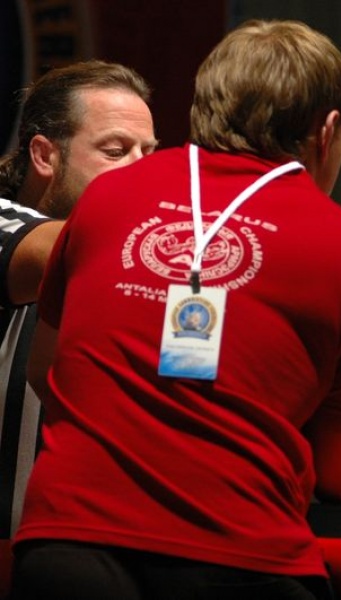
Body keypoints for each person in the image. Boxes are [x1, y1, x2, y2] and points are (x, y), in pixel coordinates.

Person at [13, 20, 341, 600]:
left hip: (66, 550)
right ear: (328, 132)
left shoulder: (104, 200)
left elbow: (46, 370)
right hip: (242, 557)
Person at [0, 60, 156, 581]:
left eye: (149, 153)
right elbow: (72, 250)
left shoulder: (145, 259)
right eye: (116, 151)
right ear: (45, 154)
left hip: (100, 560)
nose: (140, 168)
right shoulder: (9, 222)